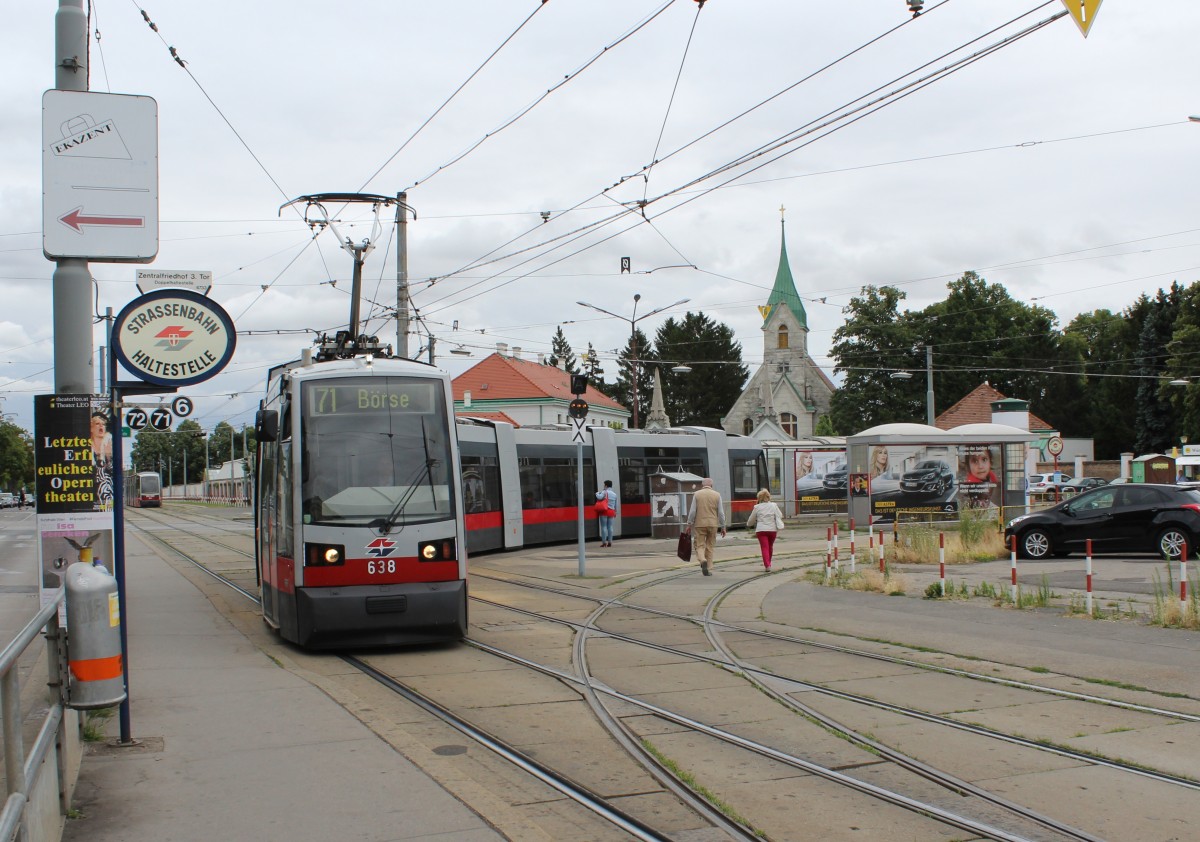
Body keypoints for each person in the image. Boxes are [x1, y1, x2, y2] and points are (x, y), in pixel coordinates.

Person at [685, 477, 725, 576]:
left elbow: (693, 511)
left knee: (699, 545)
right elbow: (720, 512)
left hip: (699, 524)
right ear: (711, 485)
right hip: (713, 524)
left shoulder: (697, 494)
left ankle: (702, 560)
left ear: (702, 485)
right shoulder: (717, 495)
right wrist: (723, 526)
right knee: (710, 546)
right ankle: (709, 566)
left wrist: (689, 524)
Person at [746, 488, 785, 571]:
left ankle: (767, 565)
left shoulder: (757, 507)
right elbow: (780, 515)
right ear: (768, 497)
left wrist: (748, 524)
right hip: (772, 530)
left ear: (759, 498)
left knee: (764, 547)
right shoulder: (774, 505)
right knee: (770, 547)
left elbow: (751, 520)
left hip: (761, 530)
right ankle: (769, 563)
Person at [90, 411, 114, 509]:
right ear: (91, 427)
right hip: (91, 494)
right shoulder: (87, 447)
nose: (101, 426)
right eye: (97, 424)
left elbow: (113, 470)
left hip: (106, 493)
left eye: (103, 424)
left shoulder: (109, 445)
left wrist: (106, 455)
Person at [595, 479, 618, 547]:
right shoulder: (614, 494)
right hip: (611, 511)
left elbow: (599, 497)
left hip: (604, 511)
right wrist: (615, 512)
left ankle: (604, 542)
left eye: (604, 484)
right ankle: (610, 542)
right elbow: (616, 505)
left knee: (604, 527)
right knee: (610, 527)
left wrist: (597, 493)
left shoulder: (604, 492)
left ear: (606, 485)